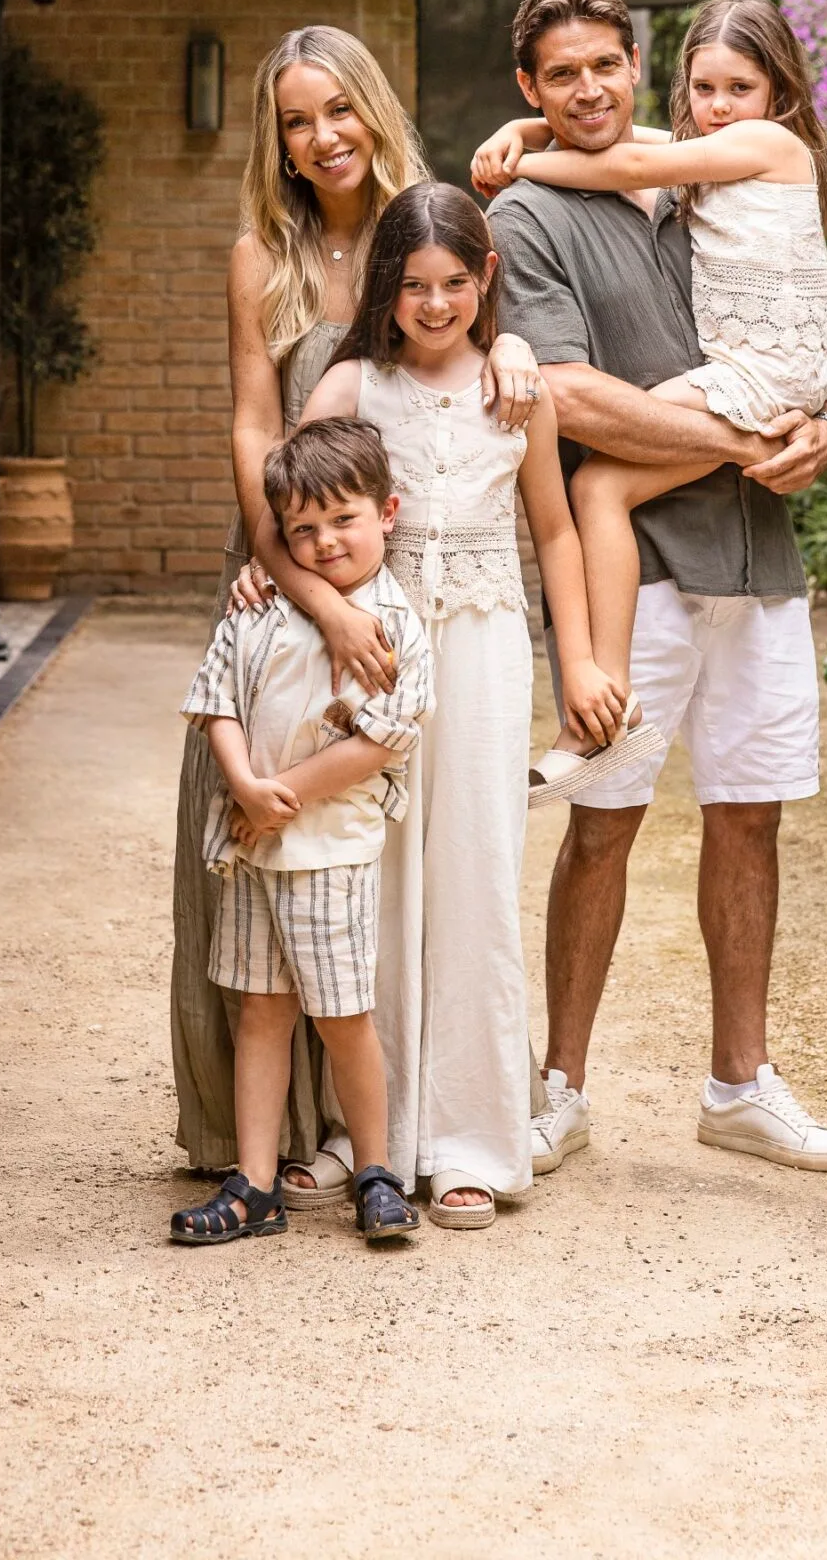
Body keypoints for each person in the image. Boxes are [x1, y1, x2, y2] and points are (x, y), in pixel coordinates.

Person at [475, 0, 827, 1177]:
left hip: (760, 557)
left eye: (607, 64)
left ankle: (740, 1086)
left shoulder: (710, 167)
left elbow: (810, 337)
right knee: (604, 823)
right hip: (632, 569)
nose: (590, 89)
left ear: (636, 64)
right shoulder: (527, 218)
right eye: (561, 76)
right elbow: (569, 394)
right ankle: (559, 1090)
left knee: (751, 821)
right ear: (530, 89)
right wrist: (749, 442)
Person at [170, 24, 541, 1185]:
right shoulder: (260, 257)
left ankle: (404, 1123)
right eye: (295, 118)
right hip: (286, 556)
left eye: (338, 109)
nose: (320, 136)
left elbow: (478, 303)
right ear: (275, 140)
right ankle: (263, 1134)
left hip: (404, 570)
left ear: (373, 111)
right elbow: (249, 421)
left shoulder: (414, 230)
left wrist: (518, 337)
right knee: (247, 829)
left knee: (395, 846)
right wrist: (286, 568)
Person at [294, 184, 629, 1226]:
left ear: (484, 278)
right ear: (384, 288)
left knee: (476, 874)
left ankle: (478, 1135)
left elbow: (559, 531)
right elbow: (283, 507)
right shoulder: (352, 383)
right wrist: (311, 597)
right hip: (378, 652)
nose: (434, 304)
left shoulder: (518, 391)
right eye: (413, 286)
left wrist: (578, 663)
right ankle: (373, 1132)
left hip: (485, 648)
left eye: (454, 283)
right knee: (378, 874)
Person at [474, 0, 827, 729]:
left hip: (758, 491)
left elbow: (617, 162)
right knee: (604, 491)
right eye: (704, 89)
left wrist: (527, 161)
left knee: (600, 491)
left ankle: (601, 690)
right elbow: (566, 394)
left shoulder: (743, 153)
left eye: (740, 89)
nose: (718, 105)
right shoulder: (699, 158)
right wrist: (527, 132)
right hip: (666, 555)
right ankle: (605, 694)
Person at [170, 418, 432, 1249]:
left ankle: (376, 1172)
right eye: (301, 531)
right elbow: (214, 699)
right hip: (251, 852)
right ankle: (251, 1184)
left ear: (386, 512)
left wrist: (275, 794)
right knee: (259, 1011)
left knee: (343, 1014)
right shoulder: (258, 604)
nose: (322, 544)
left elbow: (383, 736)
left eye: (342, 521)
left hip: (329, 852)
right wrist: (242, 785)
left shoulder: (392, 622)